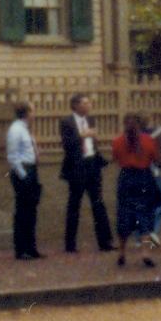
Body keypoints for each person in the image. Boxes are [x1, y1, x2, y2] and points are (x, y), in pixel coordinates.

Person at [58, 91, 114, 254]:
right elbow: (67, 144)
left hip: (91, 165)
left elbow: (92, 143)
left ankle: (105, 241)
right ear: (76, 105)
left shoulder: (90, 120)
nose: (89, 106)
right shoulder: (66, 122)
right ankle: (70, 244)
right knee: (74, 205)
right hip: (76, 167)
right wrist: (82, 135)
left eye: (89, 103)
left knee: (98, 203)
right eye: (85, 103)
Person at [112, 111, 161, 267]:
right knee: (146, 216)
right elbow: (156, 159)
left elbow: (115, 158)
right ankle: (146, 252)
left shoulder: (117, 141)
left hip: (126, 179)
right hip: (144, 179)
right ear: (141, 124)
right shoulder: (149, 140)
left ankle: (121, 253)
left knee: (124, 216)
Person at [4, 101, 43, 260]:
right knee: (23, 211)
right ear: (26, 113)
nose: (34, 115)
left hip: (31, 169)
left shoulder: (26, 130)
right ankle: (21, 249)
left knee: (31, 210)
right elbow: (12, 156)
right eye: (32, 111)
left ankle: (31, 247)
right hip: (23, 172)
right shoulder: (16, 130)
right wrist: (24, 175)